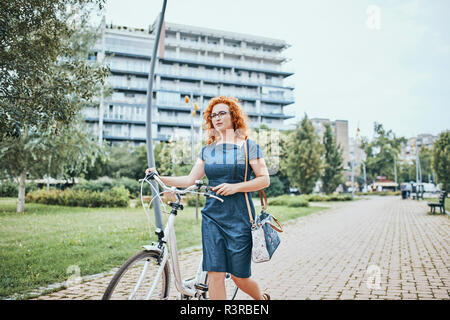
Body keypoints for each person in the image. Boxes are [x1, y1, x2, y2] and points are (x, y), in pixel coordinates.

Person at [146, 96, 270, 300]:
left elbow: (264, 180)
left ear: (233, 116)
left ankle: (262, 299)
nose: (217, 118)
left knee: (240, 278)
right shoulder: (208, 150)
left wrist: (236, 187)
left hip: (239, 218)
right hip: (212, 217)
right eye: (213, 115)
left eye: (222, 113)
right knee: (215, 274)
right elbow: (189, 179)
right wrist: (159, 176)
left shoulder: (249, 147)